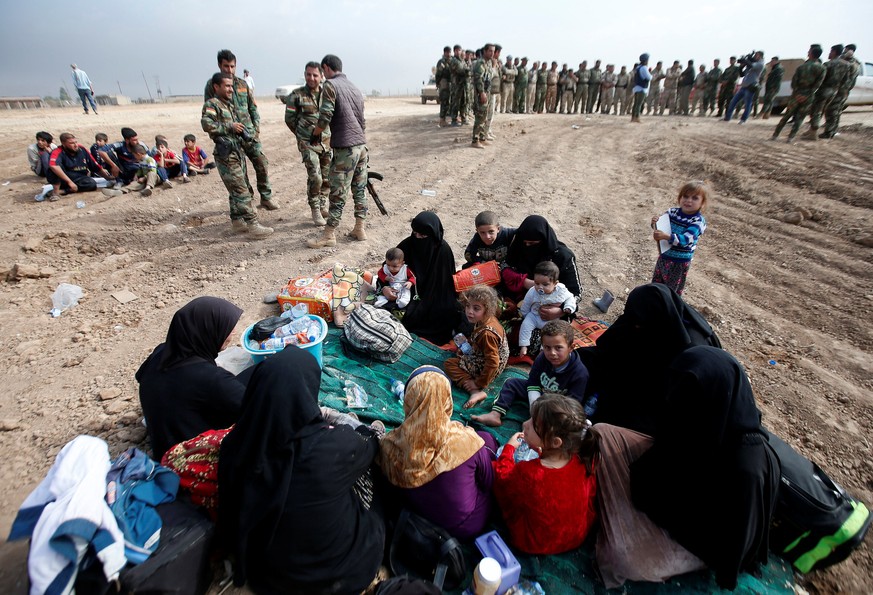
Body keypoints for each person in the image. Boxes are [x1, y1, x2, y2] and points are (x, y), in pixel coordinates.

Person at [218, 346, 384, 594]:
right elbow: (370, 442)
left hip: (270, 574)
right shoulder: (330, 448)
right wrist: (341, 421)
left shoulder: (237, 443)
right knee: (379, 489)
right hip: (340, 575)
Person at [630, 347, 780, 590]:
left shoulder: (746, 468)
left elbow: (731, 545)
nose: (674, 396)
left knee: (622, 559)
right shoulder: (707, 419)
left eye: (688, 392)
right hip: (685, 502)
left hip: (702, 538)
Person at [578, 282, 721, 437]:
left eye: (639, 324)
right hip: (637, 367)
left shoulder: (688, 347)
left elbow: (665, 390)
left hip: (657, 392)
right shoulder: (641, 318)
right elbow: (608, 345)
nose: (634, 325)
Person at [380, 365, 497, 540]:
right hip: (466, 526)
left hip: (416, 520)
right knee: (486, 439)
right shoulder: (465, 441)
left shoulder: (390, 444)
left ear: (409, 399)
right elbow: (488, 482)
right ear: (447, 400)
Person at [136, 297, 246, 460]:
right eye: (226, 328)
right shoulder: (210, 379)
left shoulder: (163, 351)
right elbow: (253, 408)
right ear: (208, 330)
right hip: (188, 459)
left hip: (163, 442)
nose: (232, 333)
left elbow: (140, 376)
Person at [493, 393, 598, 555]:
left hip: (535, 542)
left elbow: (502, 481)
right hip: (577, 535)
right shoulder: (583, 458)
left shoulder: (531, 473)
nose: (524, 424)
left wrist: (509, 449)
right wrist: (542, 454)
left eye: (534, 425)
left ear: (555, 442)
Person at [473, 320, 588, 427]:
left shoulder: (579, 373)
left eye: (558, 348)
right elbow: (533, 382)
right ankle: (495, 414)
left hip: (557, 405)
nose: (552, 353)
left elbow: (572, 405)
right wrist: (535, 409)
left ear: (571, 347)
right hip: (539, 393)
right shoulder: (542, 357)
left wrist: (544, 413)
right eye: (547, 347)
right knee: (512, 383)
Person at [307, 54, 369, 247]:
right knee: (359, 189)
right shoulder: (354, 88)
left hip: (345, 147)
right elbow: (362, 120)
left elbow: (325, 114)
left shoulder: (330, 85)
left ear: (326, 68)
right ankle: (359, 228)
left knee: (338, 191)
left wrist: (315, 134)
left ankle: (329, 233)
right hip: (361, 145)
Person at [201, 72, 274, 237]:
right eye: (226, 86)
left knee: (238, 188)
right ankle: (253, 225)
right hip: (226, 155)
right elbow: (207, 124)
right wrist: (229, 127)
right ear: (216, 87)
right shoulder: (213, 104)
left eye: (231, 86)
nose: (230, 89)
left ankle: (237, 222)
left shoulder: (229, 105)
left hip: (237, 151)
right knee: (241, 190)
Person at [204, 50, 276, 211]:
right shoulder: (213, 85)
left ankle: (266, 197)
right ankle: (246, 203)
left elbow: (253, 108)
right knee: (237, 172)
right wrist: (219, 136)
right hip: (230, 137)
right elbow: (209, 114)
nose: (229, 70)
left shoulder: (243, 84)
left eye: (232, 66)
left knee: (261, 163)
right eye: (226, 66)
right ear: (219, 65)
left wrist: (256, 128)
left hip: (248, 134)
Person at [396, 212, 459, 344]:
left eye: (423, 235)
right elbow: (391, 267)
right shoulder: (408, 244)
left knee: (444, 314)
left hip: (436, 296)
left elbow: (444, 287)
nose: (418, 238)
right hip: (410, 291)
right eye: (415, 233)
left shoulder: (443, 251)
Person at [286, 61, 333, 226]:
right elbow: (290, 120)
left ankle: (322, 205)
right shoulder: (296, 95)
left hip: (327, 142)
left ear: (321, 76)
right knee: (315, 176)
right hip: (307, 143)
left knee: (327, 178)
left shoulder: (328, 93)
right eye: (308, 74)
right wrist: (302, 136)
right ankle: (314, 208)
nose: (311, 78)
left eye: (315, 75)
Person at [445, 285, 508, 409]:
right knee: (461, 349)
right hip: (487, 357)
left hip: (490, 368)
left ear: (487, 309)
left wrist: (477, 383)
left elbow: (493, 362)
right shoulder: (486, 320)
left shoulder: (487, 333)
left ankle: (475, 392)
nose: (469, 311)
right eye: (468, 306)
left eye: (476, 308)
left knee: (450, 364)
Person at [501, 215, 581, 311]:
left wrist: (559, 311)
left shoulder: (562, 257)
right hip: (521, 301)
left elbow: (576, 293)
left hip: (552, 306)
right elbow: (504, 268)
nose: (527, 246)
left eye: (532, 244)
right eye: (525, 243)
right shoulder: (517, 249)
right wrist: (523, 281)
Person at [651, 180, 708, 296]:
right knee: (656, 286)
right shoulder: (672, 212)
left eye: (695, 198)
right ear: (679, 197)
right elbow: (661, 226)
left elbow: (685, 240)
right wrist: (654, 223)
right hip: (664, 256)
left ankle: (667, 312)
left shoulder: (698, 221)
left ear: (703, 203)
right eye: (685, 196)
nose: (688, 200)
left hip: (679, 262)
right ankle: (653, 308)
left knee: (671, 292)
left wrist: (666, 236)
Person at [517, 262, 576, 357]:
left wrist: (568, 307)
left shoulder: (561, 290)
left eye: (545, 284)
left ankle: (543, 350)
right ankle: (524, 345)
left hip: (551, 320)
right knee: (525, 325)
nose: (540, 287)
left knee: (553, 333)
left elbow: (570, 298)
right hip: (535, 316)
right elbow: (526, 304)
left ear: (555, 283)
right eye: (537, 283)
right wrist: (524, 315)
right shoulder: (532, 291)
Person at [771, 44, 826, 143]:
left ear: (811, 54)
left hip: (797, 94)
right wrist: (807, 95)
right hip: (809, 96)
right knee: (800, 118)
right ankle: (791, 137)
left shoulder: (802, 67)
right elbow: (818, 85)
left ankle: (775, 135)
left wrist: (797, 94)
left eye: (809, 51)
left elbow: (794, 82)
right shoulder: (822, 69)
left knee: (787, 115)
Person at [801, 45, 850, 141]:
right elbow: (845, 80)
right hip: (834, 91)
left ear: (835, 52)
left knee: (816, 111)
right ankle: (825, 131)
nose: (829, 53)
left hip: (823, 90)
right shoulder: (846, 64)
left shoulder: (828, 64)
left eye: (831, 51)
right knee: (830, 111)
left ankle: (813, 133)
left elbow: (820, 79)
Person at [45, 133, 112, 201]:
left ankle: (64, 191)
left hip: (79, 177)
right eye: (71, 143)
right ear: (64, 144)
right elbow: (53, 166)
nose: (75, 145)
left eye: (76, 142)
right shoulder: (57, 151)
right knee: (53, 169)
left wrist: (108, 178)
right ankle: (55, 193)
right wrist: (69, 182)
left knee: (91, 184)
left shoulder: (82, 149)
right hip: (64, 177)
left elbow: (95, 166)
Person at [725, 51, 765, 123]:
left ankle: (743, 119)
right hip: (743, 86)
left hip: (750, 86)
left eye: (757, 55)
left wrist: (746, 60)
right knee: (733, 101)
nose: (755, 56)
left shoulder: (760, 64)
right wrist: (741, 67)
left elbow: (752, 65)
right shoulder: (751, 64)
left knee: (747, 104)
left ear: (760, 56)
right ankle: (727, 117)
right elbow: (742, 74)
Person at [471, 44, 495, 148]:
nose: (492, 53)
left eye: (493, 51)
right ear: (484, 51)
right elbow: (478, 79)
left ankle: (482, 138)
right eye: (490, 51)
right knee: (480, 116)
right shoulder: (480, 63)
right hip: (481, 93)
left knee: (484, 116)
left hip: (487, 92)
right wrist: (481, 93)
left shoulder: (488, 63)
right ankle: (475, 140)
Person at [449, 44, 470, 126]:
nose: (458, 52)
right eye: (456, 50)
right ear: (454, 52)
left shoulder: (462, 61)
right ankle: (454, 120)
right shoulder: (454, 61)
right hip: (456, 85)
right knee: (455, 103)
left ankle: (463, 118)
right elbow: (462, 70)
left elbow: (466, 69)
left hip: (462, 85)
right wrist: (469, 70)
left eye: (459, 50)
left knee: (463, 102)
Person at [631, 54, 652, 122]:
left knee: (636, 103)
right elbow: (649, 77)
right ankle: (637, 117)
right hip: (642, 88)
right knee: (639, 104)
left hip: (637, 87)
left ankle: (633, 117)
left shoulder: (638, 67)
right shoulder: (644, 68)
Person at [436, 46, 453, 127]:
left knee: (448, 102)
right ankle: (442, 120)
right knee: (444, 101)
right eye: (448, 52)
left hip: (450, 82)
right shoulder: (441, 62)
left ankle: (444, 119)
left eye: (450, 52)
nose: (449, 54)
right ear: (445, 52)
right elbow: (438, 73)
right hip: (444, 82)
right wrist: (437, 83)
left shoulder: (451, 60)